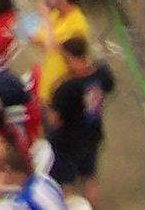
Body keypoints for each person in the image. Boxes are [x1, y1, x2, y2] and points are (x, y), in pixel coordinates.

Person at [44, 36, 114, 206]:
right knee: (89, 178)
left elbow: (54, 121)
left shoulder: (65, 88)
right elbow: (109, 87)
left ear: (70, 57)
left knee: (65, 185)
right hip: (92, 135)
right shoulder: (102, 72)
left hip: (67, 142)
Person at [33, 0, 90, 106]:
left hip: (63, 82)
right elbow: (38, 39)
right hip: (48, 75)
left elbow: (52, 45)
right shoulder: (55, 14)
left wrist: (46, 17)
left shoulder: (77, 23)